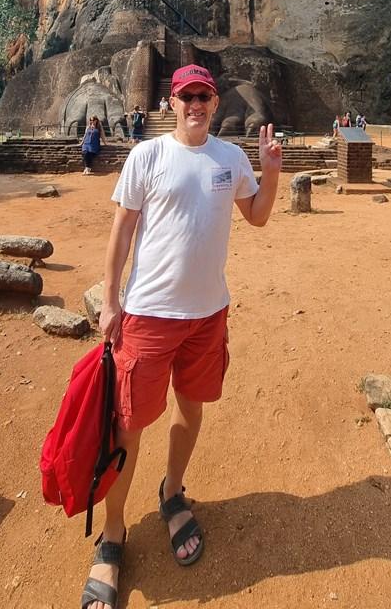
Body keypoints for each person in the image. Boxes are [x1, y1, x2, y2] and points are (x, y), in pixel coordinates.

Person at [81, 64, 282, 609]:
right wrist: (111, 299)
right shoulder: (147, 156)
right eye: (186, 96)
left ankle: (172, 492)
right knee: (128, 425)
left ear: (214, 103)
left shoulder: (230, 157)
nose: (195, 104)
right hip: (148, 314)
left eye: (203, 96)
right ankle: (114, 531)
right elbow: (122, 229)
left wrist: (270, 172)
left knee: (190, 410)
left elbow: (258, 217)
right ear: (171, 102)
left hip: (207, 314)